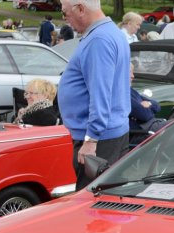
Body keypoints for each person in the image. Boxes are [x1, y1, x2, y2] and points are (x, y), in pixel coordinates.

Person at [58, 0, 130, 189]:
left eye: (65, 13)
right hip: (110, 134)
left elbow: (100, 94)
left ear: (80, 9)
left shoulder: (99, 40)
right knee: (108, 198)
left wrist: (91, 140)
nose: (65, 19)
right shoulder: (111, 32)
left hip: (99, 140)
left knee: (91, 205)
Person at [128, 63, 166, 138]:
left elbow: (157, 105)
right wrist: (147, 108)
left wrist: (149, 104)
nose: (133, 76)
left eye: (133, 72)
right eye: (129, 72)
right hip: (141, 131)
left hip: (149, 125)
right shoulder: (122, 94)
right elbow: (145, 115)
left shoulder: (130, 90)